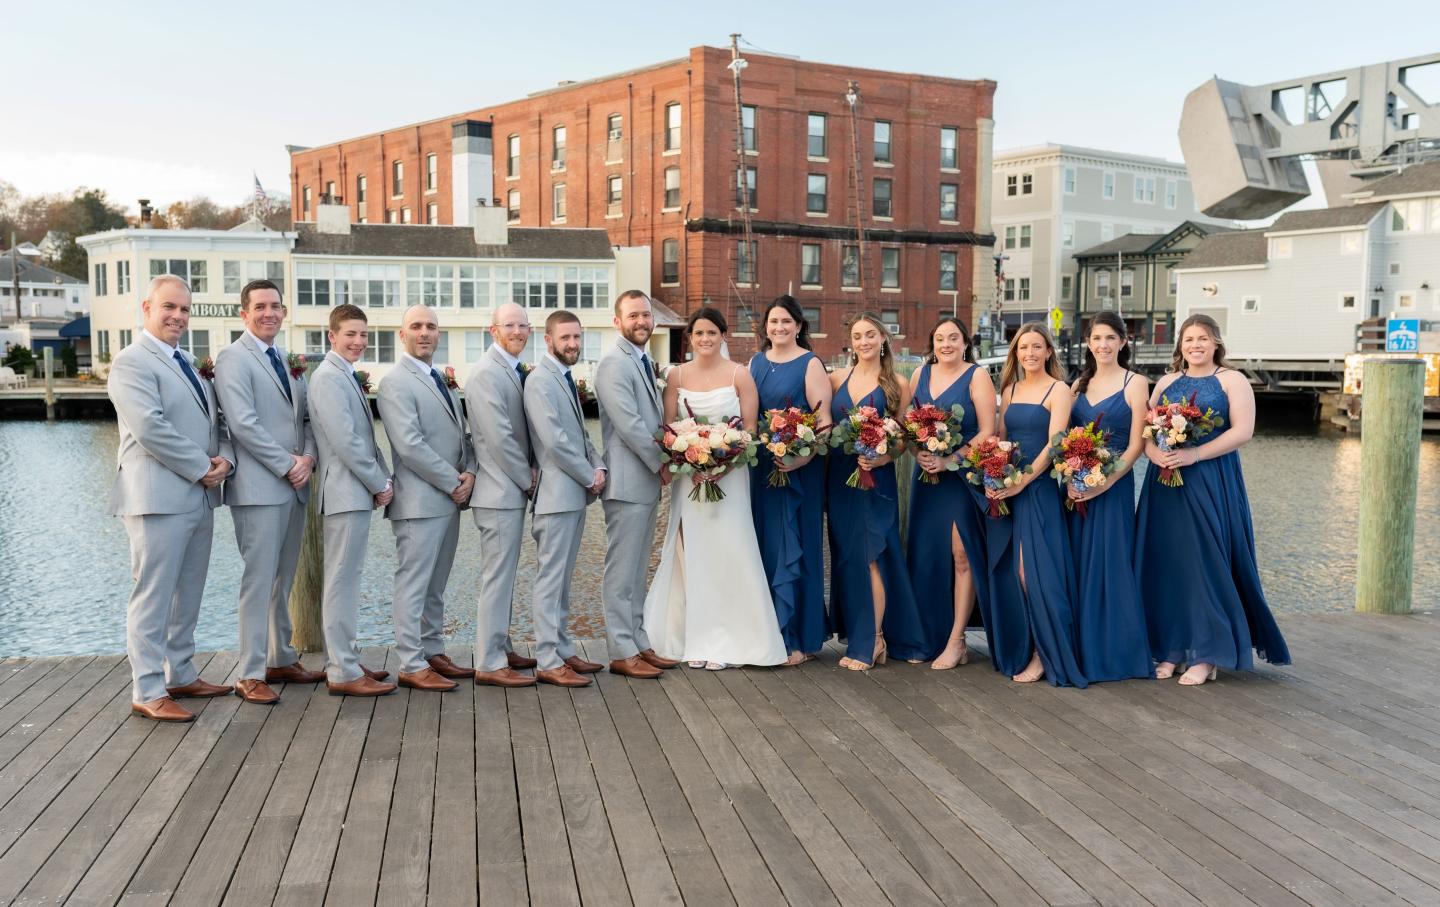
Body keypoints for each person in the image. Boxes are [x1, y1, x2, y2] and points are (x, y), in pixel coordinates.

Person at [1137, 313, 1290, 685]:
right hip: (1165, 483)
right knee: (1168, 564)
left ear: (1216, 343)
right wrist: (1155, 454)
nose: (1195, 345)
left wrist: (1195, 455)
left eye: (1203, 338)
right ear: (1180, 346)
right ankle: (1172, 649)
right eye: (1188, 339)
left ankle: (1207, 654)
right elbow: (1146, 429)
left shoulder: (1232, 380)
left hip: (1210, 478)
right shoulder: (1168, 382)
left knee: (1205, 564)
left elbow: (1244, 431)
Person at [107, 275, 233, 722]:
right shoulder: (131, 363)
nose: (178, 316)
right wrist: (203, 468)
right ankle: (147, 688)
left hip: (199, 498)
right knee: (153, 595)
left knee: (189, 593)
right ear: (147, 307)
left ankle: (180, 671)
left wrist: (225, 464)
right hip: (156, 497)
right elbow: (150, 427)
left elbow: (216, 421)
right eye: (169, 307)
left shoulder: (189, 364)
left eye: (184, 309)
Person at [644, 307, 786, 670]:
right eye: (698, 333)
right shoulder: (675, 375)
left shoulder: (741, 375)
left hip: (731, 477)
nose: (705, 339)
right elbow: (669, 429)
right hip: (689, 477)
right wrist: (691, 461)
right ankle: (695, 638)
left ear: (723, 335)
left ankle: (730, 640)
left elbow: (750, 432)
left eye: (712, 332)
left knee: (729, 552)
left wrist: (722, 464)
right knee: (692, 553)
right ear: (689, 337)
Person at [212, 279, 324, 705]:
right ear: (244, 313)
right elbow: (242, 424)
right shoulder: (233, 359)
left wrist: (308, 459)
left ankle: (280, 657)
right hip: (259, 489)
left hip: (294, 485)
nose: (269, 313)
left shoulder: (287, 360)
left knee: (284, 579)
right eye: (260, 306)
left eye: (276, 306)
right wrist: (287, 465)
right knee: (258, 582)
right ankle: (250, 671)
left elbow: (307, 422)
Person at [376, 304, 476, 693]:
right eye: (416, 326)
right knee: (413, 583)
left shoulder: (441, 379)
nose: (424, 332)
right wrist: (454, 481)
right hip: (419, 502)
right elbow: (410, 446)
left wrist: (470, 472)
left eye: (431, 327)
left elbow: (461, 435)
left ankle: (433, 649)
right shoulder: (396, 382)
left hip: (449, 499)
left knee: (436, 584)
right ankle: (411, 661)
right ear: (402, 335)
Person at [983, 322, 1087, 687]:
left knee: (1035, 573)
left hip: (1038, 488)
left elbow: (1056, 443)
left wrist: (1022, 481)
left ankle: (1046, 654)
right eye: (1023, 347)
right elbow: (1002, 438)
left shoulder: (1058, 390)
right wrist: (993, 474)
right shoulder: (1010, 389)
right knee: (1010, 571)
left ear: (1048, 352)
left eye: (1036, 347)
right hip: (1008, 486)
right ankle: (1023, 644)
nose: (1029, 353)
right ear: (1016, 353)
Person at [826, 312, 927, 670]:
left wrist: (885, 458)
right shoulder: (835, 377)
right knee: (849, 557)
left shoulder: (897, 384)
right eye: (857, 336)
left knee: (872, 555)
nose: (864, 341)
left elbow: (903, 438)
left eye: (871, 334)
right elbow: (824, 426)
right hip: (840, 479)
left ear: (883, 339)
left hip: (876, 480)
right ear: (850, 343)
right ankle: (861, 632)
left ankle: (873, 640)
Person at [307, 304, 395, 696]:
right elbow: (346, 441)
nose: (358, 341)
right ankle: (341, 671)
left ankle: (348, 656)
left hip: (353, 492)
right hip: (344, 491)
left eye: (363, 334)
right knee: (341, 580)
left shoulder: (344, 374)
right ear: (332, 336)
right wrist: (380, 481)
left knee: (349, 578)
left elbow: (363, 438)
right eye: (350, 334)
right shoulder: (328, 377)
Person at [595, 290, 679, 679]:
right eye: (633, 316)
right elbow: (629, 425)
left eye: (646, 315)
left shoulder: (641, 360)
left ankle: (639, 641)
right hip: (628, 482)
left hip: (644, 483)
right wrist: (662, 464)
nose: (642, 321)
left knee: (636, 570)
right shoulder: (614, 363)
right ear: (618, 322)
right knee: (621, 570)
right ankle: (621, 650)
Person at [1065, 312, 1153, 683]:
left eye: (1110, 338)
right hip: (1075, 488)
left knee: (1110, 563)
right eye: (1096, 338)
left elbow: (1136, 446)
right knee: (1078, 562)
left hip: (1113, 488)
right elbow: (1063, 439)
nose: (1102, 345)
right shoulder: (1076, 386)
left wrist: (1104, 482)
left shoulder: (1135, 384)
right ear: (1088, 343)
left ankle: (1114, 652)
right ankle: (1078, 648)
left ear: (1123, 342)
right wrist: (1071, 474)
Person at [905, 315, 996, 669]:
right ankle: (925, 636)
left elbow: (987, 430)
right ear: (933, 343)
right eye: (940, 338)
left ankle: (957, 640)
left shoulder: (977, 375)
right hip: (926, 477)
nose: (946, 344)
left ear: (964, 342)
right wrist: (920, 452)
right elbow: (910, 428)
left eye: (953, 338)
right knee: (926, 556)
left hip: (961, 478)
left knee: (961, 554)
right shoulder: (919, 375)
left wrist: (952, 459)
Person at [525, 310, 608, 687]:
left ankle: (561, 648)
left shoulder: (564, 377)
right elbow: (555, 441)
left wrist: (599, 464)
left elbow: (579, 435)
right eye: (565, 338)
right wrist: (588, 474)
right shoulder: (540, 380)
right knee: (550, 578)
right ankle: (546, 659)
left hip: (572, 496)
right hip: (556, 497)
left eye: (577, 337)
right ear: (548, 340)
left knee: (563, 580)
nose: (573, 344)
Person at [748, 297, 832, 666]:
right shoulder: (755, 362)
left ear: (799, 326)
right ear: (765, 326)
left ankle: (799, 637)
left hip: (799, 469)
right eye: (773, 321)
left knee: (797, 545)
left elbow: (824, 423)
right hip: (763, 468)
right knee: (766, 546)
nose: (778, 327)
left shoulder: (810, 364)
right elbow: (749, 418)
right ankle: (768, 632)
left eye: (786, 321)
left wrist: (801, 457)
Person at [464, 302, 541, 688]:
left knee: (506, 575)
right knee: (497, 577)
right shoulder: (485, 374)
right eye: (509, 325)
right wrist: (528, 479)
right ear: (493, 331)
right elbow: (499, 438)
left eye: (523, 325)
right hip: (497, 492)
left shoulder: (512, 370)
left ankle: (501, 644)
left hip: (506, 492)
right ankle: (491, 663)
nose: (517, 331)